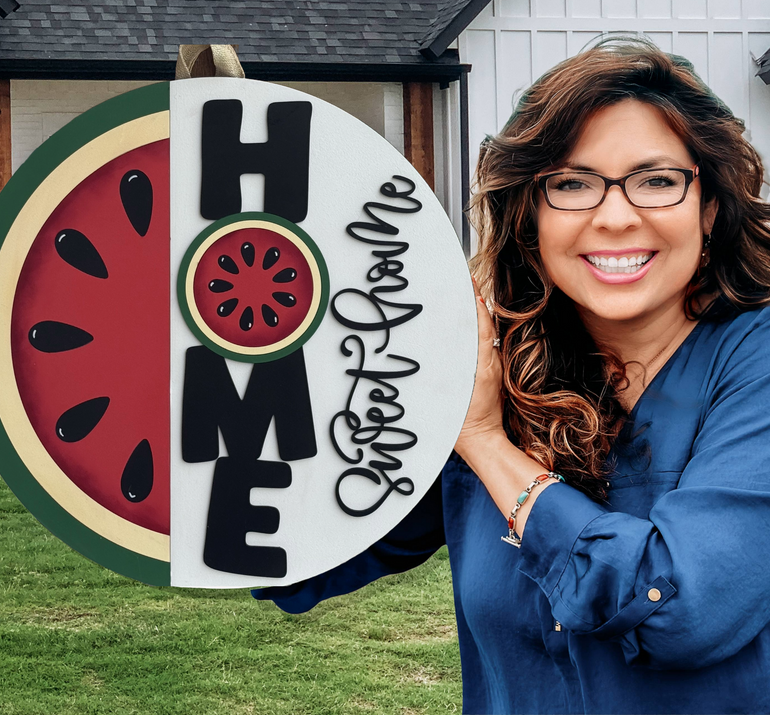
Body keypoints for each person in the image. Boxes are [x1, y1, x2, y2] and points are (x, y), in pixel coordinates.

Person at [253, 38, 770, 714]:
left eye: (656, 180)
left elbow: (679, 610)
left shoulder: (752, 363)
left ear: (708, 208)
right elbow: (304, 548)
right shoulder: (502, 367)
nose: (615, 216)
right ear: (531, 217)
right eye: (572, 184)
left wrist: (486, 443)